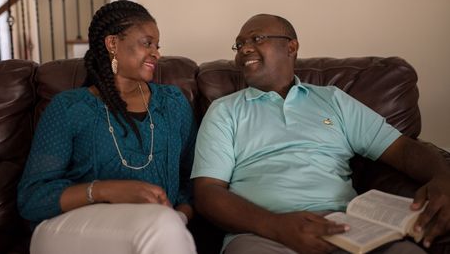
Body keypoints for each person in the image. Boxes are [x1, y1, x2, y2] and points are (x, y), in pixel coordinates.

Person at [191, 13, 450, 254]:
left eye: (256, 38)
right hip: (261, 233)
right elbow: (207, 192)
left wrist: (443, 177)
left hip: (344, 227)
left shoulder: (334, 100)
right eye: (239, 44)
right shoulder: (225, 110)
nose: (244, 48)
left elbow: (402, 149)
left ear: (291, 47)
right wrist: (277, 226)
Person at [18, 0, 197, 254]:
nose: (157, 53)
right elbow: (32, 198)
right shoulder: (70, 108)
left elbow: (194, 181)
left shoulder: (173, 104)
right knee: (163, 226)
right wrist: (106, 190)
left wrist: (181, 216)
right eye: (147, 43)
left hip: (156, 228)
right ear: (113, 44)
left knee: (165, 225)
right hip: (69, 231)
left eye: (158, 46)